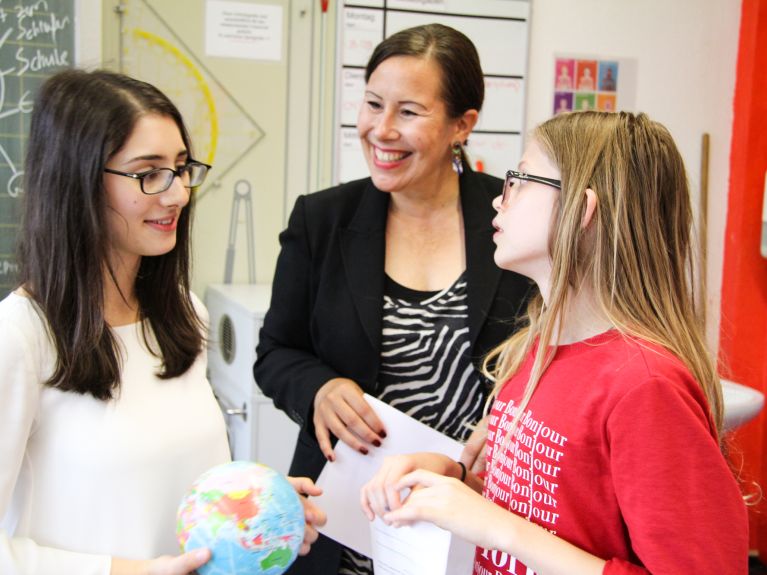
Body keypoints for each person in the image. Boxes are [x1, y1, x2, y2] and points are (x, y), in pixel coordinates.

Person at [360, 111, 750, 574]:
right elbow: (558, 519)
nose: (497, 202)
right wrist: (463, 483)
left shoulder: (646, 386)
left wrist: (497, 528)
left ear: (580, 210)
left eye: (520, 181)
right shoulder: (536, 350)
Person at [0, 69, 325, 575]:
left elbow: (191, 493)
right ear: (76, 181)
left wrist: (260, 512)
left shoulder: (181, 311)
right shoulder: (20, 336)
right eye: (148, 173)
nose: (177, 194)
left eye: (180, 167)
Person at [254, 23, 532, 575]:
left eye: (409, 112)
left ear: (462, 125)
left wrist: (511, 421)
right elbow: (275, 353)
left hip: (478, 514)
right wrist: (319, 387)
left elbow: (552, 355)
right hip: (346, 525)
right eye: (373, 104)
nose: (381, 130)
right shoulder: (322, 219)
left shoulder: (514, 218)